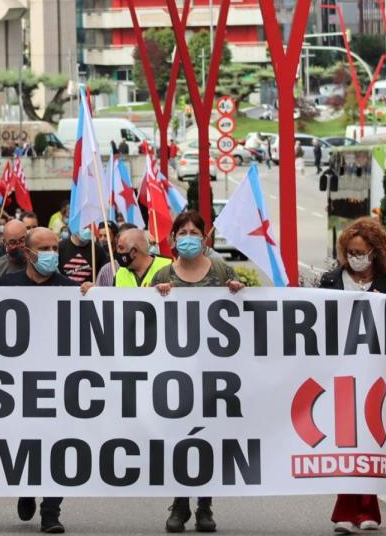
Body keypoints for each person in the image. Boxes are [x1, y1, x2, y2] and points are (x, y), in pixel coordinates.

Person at [0, 227, 80, 534]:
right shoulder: (8, 285)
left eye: (55, 247)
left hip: (59, 383)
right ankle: (26, 487)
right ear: (27, 252)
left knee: (57, 446)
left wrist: (93, 295)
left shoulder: (69, 288)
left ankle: (51, 511)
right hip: (18, 384)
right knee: (25, 443)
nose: (52, 253)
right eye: (45, 248)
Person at [152, 210, 244, 534]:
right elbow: (144, 326)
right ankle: (180, 503)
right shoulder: (163, 274)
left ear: (205, 238)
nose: (188, 236)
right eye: (183, 231)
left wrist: (237, 291)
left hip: (214, 375)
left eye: (194, 231)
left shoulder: (222, 271)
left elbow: (241, 319)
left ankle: (204, 505)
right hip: (174, 375)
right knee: (179, 440)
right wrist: (156, 296)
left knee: (208, 438)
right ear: (174, 238)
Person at [319, 218, 386, 534]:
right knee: (345, 441)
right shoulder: (330, 281)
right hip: (338, 374)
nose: (355, 257)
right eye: (351, 251)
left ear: (376, 253)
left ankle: (366, 510)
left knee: (368, 439)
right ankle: (346, 510)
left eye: (362, 252)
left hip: (377, 374)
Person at [0, 220, 29, 285]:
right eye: (13, 242)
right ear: (4, 242)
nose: (19, 246)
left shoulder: (38, 264)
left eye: (22, 240)